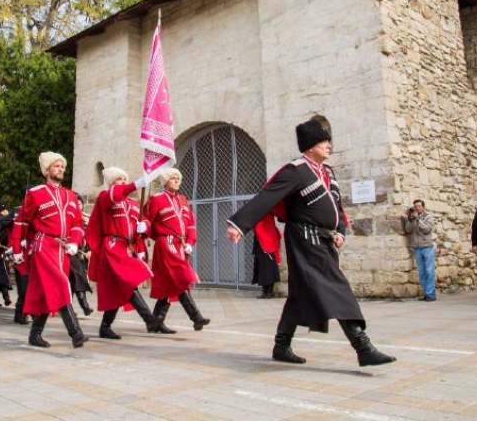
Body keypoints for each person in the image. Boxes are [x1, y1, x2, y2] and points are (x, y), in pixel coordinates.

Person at [226, 119, 396, 367]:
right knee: (337, 287)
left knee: (298, 296)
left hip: (324, 240)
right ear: (310, 145)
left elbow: (337, 207)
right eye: (323, 141)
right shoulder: (295, 171)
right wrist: (239, 224)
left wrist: (340, 231)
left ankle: (281, 346)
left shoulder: (327, 173)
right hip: (305, 238)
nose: (329, 145)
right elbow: (266, 197)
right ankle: (363, 347)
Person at [11, 152, 87, 348]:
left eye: (62, 166)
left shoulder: (70, 195)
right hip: (43, 244)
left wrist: (75, 241)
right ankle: (75, 332)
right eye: (56, 166)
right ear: (47, 170)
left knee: (48, 291)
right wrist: (17, 249)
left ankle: (34, 334)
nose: (60, 169)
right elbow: (22, 222)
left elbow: (77, 223)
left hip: (63, 249)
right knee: (60, 283)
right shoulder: (35, 193)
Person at [85, 167, 163, 339]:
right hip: (113, 246)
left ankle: (105, 327)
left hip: (128, 247)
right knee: (129, 283)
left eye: (124, 179)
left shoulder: (133, 204)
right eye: (119, 179)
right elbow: (115, 194)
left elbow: (144, 222)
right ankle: (149, 319)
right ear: (111, 182)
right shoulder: (106, 197)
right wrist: (136, 184)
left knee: (118, 288)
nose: (123, 181)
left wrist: (144, 227)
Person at [143, 167, 210, 333]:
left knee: (170, 283)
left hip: (182, 245)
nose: (176, 180)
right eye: (173, 177)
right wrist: (154, 235)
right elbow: (146, 222)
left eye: (178, 178)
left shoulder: (183, 200)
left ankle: (155, 323)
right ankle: (196, 317)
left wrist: (190, 242)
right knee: (181, 277)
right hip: (166, 244)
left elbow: (191, 225)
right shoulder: (156, 199)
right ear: (165, 181)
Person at [402, 199, 437, 301]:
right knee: (422, 272)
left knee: (429, 271)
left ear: (423, 207)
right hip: (417, 248)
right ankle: (427, 293)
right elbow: (408, 230)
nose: (417, 208)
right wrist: (410, 218)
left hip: (427, 247)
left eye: (419, 206)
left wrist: (418, 220)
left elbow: (426, 229)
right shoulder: (412, 217)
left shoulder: (428, 217)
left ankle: (431, 294)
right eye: (415, 206)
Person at [252, 217, 282, 299]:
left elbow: (276, 237)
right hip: (260, 251)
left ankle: (270, 292)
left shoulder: (270, 226)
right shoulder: (258, 224)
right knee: (262, 273)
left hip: (269, 251)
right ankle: (264, 292)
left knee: (269, 273)